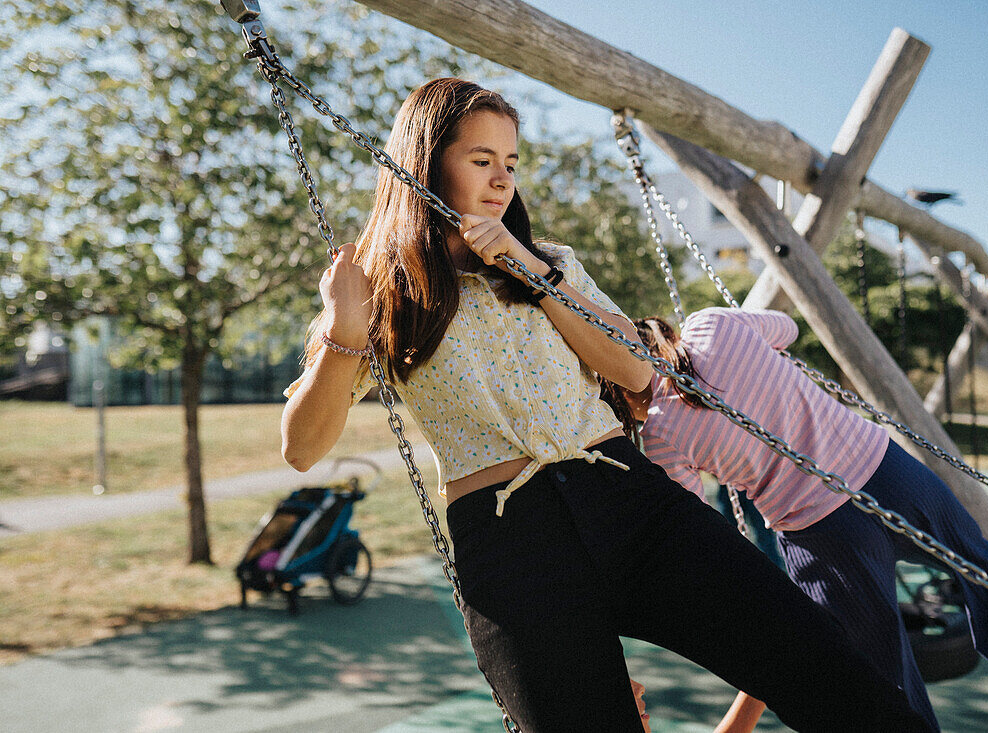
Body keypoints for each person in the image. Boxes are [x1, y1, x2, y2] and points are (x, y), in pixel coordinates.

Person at [280, 78, 934, 732]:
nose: (501, 179)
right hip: (512, 546)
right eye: (481, 160)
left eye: (510, 164)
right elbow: (302, 447)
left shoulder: (550, 261)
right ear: (424, 159)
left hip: (631, 503)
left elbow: (633, 369)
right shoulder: (380, 290)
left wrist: (527, 268)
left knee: (821, 662)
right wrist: (344, 332)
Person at [610, 307, 988, 732]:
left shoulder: (659, 436)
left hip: (820, 534)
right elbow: (787, 329)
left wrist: (734, 462)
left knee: (878, 673)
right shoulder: (712, 325)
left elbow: (699, 524)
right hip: (889, 471)